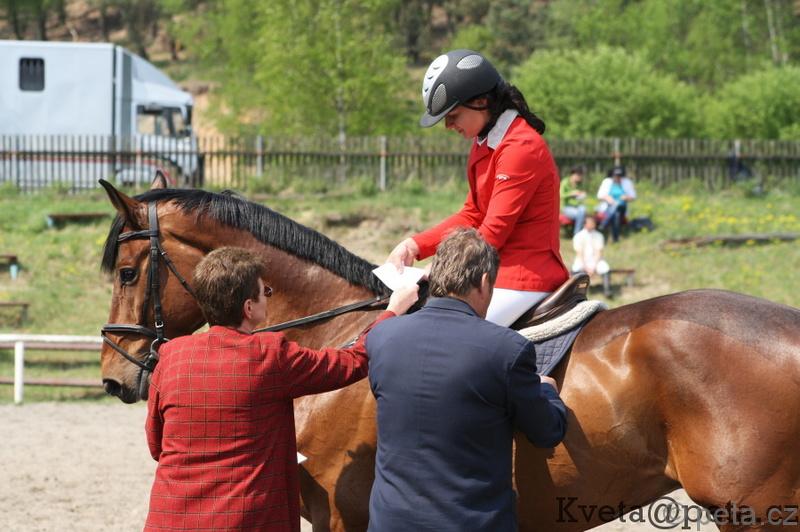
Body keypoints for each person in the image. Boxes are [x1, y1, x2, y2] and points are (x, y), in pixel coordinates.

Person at [144, 247, 418, 532]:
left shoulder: (171, 356)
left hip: (170, 520)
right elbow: (353, 362)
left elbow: (156, 444)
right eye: (265, 292)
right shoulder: (270, 354)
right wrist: (392, 311)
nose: (268, 297)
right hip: (246, 522)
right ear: (249, 308)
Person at [367, 228, 568, 532]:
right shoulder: (508, 349)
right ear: (485, 282)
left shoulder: (382, 336)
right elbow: (547, 432)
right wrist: (547, 392)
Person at [386, 48, 569, 327]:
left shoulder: (520, 146)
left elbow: (494, 230)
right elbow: (472, 214)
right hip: (489, 275)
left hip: (521, 279)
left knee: (440, 334)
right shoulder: (485, 141)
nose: (448, 125)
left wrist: (443, 267)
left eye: (453, 115)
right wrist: (414, 245)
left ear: (481, 101)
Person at [571, 215, 612, 297]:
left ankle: (607, 291)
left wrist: (594, 266)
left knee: (605, 268)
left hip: (596, 260)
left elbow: (599, 252)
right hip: (582, 260)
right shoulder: (578, 236)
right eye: (590, 223)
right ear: (585, 224)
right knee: (575, 268)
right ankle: (575, 291)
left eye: (593, 223)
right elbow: (579, 253)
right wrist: (585, 266)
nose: (592, 224)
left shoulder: (599, 235)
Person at [596, 165, 636, 243]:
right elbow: (599, 196)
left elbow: (633, 196)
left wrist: (626, 197)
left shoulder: (627, 182)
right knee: (616, 213)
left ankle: (604, 224)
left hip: (622, 208)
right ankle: (615, 238)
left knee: (617, 206)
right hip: (608, 208)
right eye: (616, 175)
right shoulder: (607, 181)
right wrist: (607, 198)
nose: (617, 177)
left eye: (619, 175)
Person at [560, 165, 588, 235]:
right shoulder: (565, 182)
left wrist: (582, 194)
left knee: (583, 209)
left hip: (577, 207)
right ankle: (577, 234)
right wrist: (571, 194)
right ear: (573, 174)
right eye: (579, 175)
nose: (581, 177)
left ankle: (578, 233)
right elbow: (560, 195)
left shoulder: (579, 184)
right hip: (567, 207)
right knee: (581, 214)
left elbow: (578, 198)